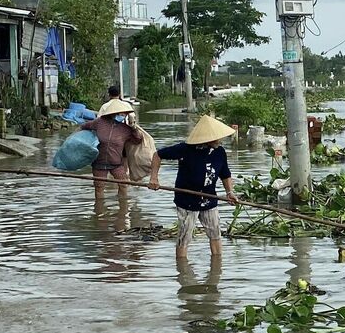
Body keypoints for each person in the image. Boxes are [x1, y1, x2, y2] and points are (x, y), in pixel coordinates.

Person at [149, 115, 237, 261]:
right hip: (187, 200)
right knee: (185, 236)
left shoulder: (219, 152)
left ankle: (216, 267)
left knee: (215, 234)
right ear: (208, 138)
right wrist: (154, 178)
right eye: (217, 138)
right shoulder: (185, 149)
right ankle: (182, 270)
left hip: (209, 199)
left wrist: (230, 192)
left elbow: (225, 174)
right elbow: (157, 155)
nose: (220, 140)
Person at [81, 99, 139, 199]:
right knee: (99, 188)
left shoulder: (126, 129)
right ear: (113, 113)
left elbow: (138, 140)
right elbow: (84, 126)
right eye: (121, 114)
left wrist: (134, 127)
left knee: (123, 185)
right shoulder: (100, 122)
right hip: (99, 162)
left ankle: (123, 210)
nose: (123, 116)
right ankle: (99, 211)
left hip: (116, 163)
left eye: (125, 114)